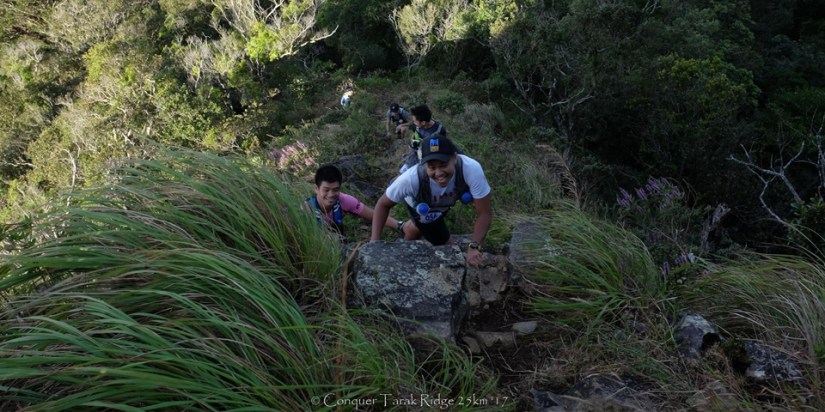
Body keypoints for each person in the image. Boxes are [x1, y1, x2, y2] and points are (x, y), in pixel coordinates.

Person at [371, 136, 492, 266]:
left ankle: (411, 228)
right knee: (448, 247)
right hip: (422, 206)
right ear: (424, 164)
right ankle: (414, 230)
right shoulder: (410, 179)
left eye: (443, 165)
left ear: (455, 157)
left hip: (444, 202)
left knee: (419, 228)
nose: (438, 173)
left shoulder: (470, 169)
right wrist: (374, 244)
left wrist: (474, 246)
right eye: (432, 167)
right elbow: (383, 204)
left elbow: (484, 212)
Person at [307, 164, 403, 238]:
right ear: (317, 189)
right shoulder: (306, 209)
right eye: (326, 190)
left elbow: (375, 215)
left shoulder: (344, 200)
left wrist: (400, 225)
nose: (331, 194)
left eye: (335, 189)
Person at [399, 104, 448, 174]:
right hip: (417, 154)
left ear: (423, 122)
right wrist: (415, 142)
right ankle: (409, 164)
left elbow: (434, 151)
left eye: (415, 121)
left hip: (431, 158)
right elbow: (416, 138)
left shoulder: (437, 132)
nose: (414, 123)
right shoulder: (418, 126)